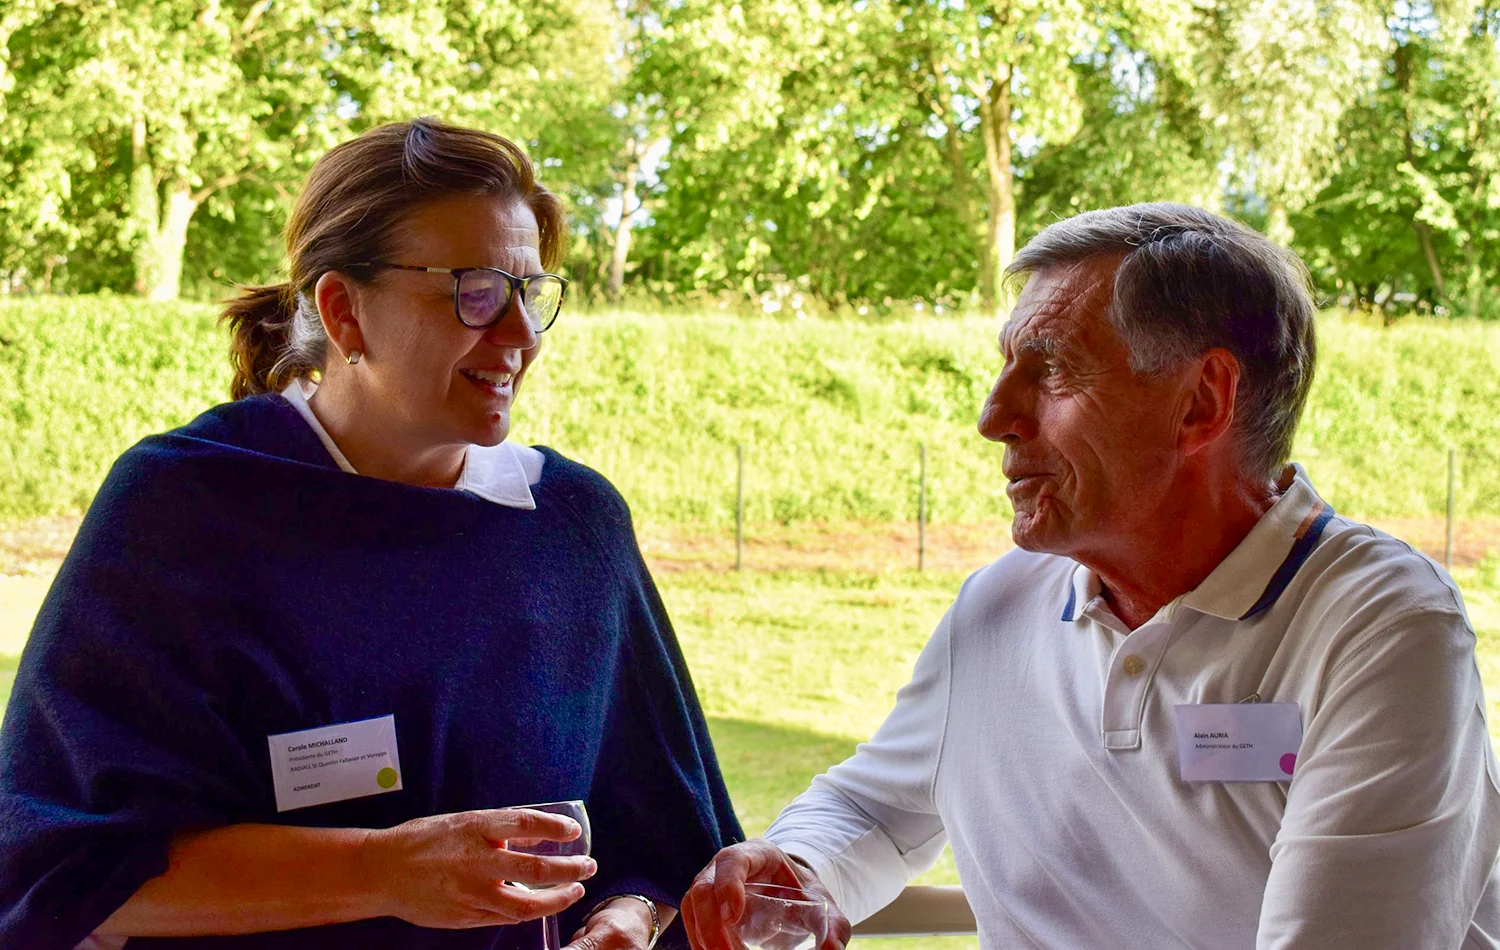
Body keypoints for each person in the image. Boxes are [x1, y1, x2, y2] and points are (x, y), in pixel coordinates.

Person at [0, 117, 741, 950]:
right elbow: (61, 870)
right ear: (343, 311)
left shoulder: (574, 525)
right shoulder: (185, 509)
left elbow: (665, 840)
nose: (521, 337)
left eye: (529, 293)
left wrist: (626, 918)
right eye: (476, 290)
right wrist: (380, 870)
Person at [681, 203, 1500, 949]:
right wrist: (802, 865)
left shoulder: (1382, 628)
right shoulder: (1000, 604)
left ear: (1201, 402)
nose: (994, 418)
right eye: (1006, 368)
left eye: (1051, 372)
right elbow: (877, 811)